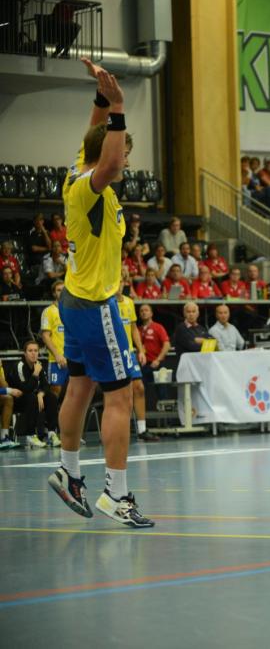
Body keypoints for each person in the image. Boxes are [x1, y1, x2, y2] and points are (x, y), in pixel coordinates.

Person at [48, 59, 152, 527]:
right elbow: (108, 160)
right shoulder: (92, 186)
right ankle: (117, 494)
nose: (125, 160)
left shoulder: (76, 172)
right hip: (95, 304)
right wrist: (120, 108)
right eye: (125, 151)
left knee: (80, 386)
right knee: (121, 396)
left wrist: (101, 100)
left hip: (74, 301)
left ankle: (69, 473)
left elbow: (95, 139)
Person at [117, 278, 157, 442]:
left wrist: (140, 350)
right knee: (117, 392)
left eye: (121, 281)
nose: (118, 285)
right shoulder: (106, 303)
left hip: (129, 353)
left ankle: (142, 430)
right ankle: (119, 429)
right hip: (113, 353)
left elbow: (133, 328)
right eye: (116, 281)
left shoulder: (129, 302)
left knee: (139, 387)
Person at [8, 340, 60, 448]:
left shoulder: (38, 365)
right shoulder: (20, 366)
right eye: (30, 351)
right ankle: (30, 435)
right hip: (16, 400)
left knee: (51, 397)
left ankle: (51, 433)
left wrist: (41, 393)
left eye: (36, 351)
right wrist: (35, 373)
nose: (33, 353)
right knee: (31, 397)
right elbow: (25, 389)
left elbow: (46, 385)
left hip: (33, 397)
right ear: (25, 353)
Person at [40, 280, 68, 398]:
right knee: (55, 391)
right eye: (58, 290)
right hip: (57, 359)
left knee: (76, 392)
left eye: (64, 290)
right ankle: (53, 411)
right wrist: (57, 355)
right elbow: (45, 336)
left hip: (73, 358)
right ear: (54, 293)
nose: (62, 292)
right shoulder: (48, 311)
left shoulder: (73, 310)